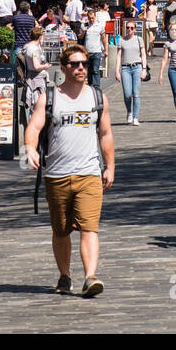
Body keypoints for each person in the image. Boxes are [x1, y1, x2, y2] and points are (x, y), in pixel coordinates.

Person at [25, 44, 116, 297]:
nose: (80, 68)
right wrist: (30, 149)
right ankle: (65, 276)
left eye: (84, 64)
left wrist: (110, 167)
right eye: (75, 64)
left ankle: (90, 277)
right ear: (63, 68)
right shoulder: (50, 97)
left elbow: (106, 134)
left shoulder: (97, 97)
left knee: (89, 227)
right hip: (57, 174)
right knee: (61, 230)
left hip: (89, 173)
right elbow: (33, 128)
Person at [117, 18, 147, 125]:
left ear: (135, 29)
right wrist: (117, 71)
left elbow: (143, 54)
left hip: (137, 67)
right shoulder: (122, 40)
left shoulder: (139, 39)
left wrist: (144, 69)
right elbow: (119, 56)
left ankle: (135, 117)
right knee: (127, 94)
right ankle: (129, 111)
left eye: (131, 28)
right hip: (125, 68)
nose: (129, 29)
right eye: (127, 27)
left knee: (136, 94)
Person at [82, 9, 108, 90]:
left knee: (95, 70)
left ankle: (96, 87)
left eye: (92, 18)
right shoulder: (85, 25)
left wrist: (106, 50)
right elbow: (80, 37)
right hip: (87, 51)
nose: (91, 20)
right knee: (89, 70)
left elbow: (104, 39)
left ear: (95, 17)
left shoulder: (100, 26)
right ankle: (90, 86)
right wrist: (83, 31)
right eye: (89, 18)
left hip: (97, 51)